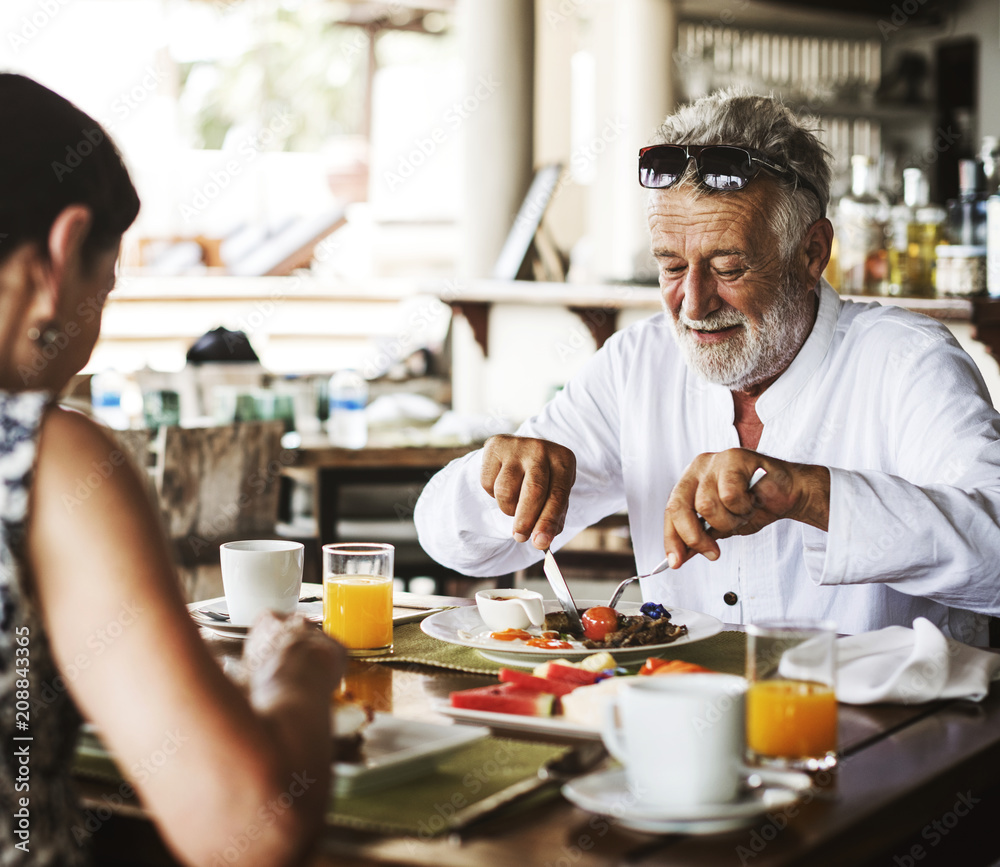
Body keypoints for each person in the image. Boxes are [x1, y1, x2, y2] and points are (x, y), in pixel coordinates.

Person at [415, 90, 1000, 646]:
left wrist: (805, 494)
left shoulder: (905, 361)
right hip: (682, 715)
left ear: (812, 253)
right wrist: (497, 478)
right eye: (670, 267)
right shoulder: (637, 364)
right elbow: (457, 546)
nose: (693, 305)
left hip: (879, 733)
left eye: (728, 267)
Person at [0, 74, 345, 866]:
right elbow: (249, 831)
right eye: (105, 288)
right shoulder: (46, 461)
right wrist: (291, 678)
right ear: (61, 253)